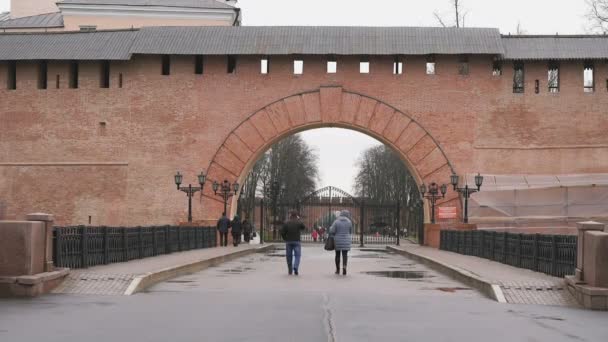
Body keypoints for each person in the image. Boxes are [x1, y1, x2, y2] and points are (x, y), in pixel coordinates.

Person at [280, 210, 306, 275]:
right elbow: (303, 227)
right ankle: (296, 267)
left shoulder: (286, 223)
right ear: (296, 216)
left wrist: (285, 238)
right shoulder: (298, 222)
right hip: (297, 241)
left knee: (289, 256)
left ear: (290, 215)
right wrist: (299, 219)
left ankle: (290, 270)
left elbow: (282, 232)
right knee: (297, 255)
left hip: (288, 241)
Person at [329, 210, 353, 276]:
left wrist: (330, 228)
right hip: (346, 240)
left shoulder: (336, 221)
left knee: (337, 255)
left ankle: (337, 269)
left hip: (337, 240)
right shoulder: (349, 222)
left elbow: (332, 231)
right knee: (345, 255)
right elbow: (350, 231)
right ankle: (344, 267)